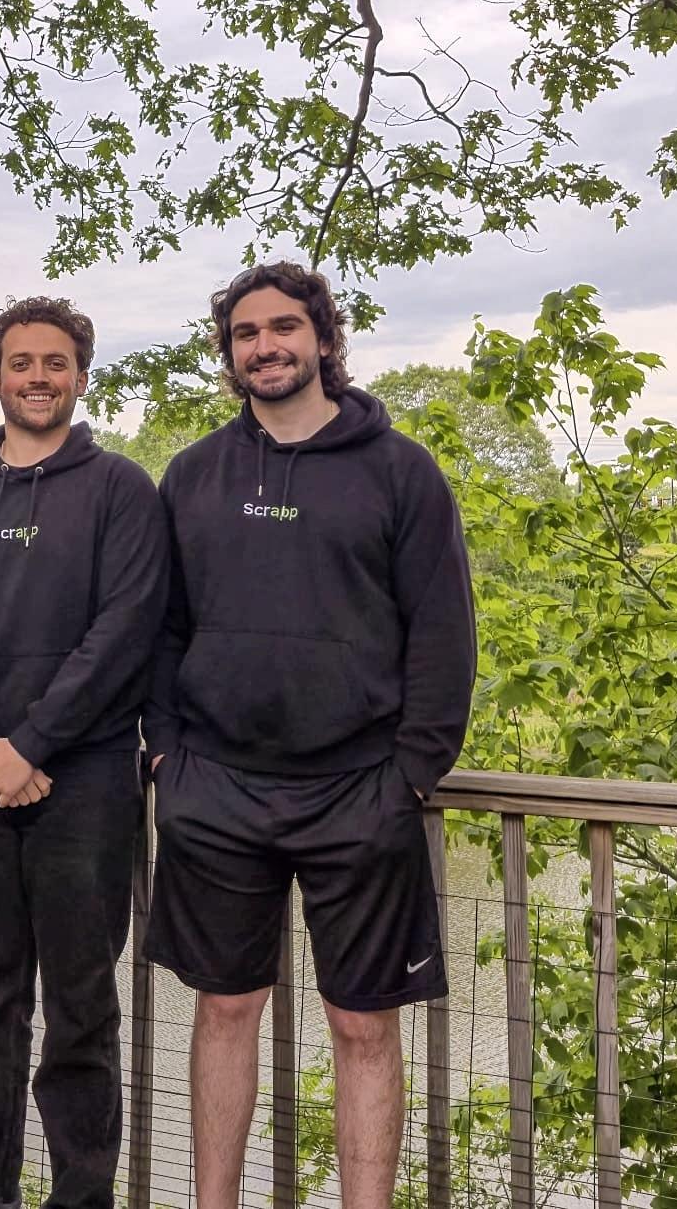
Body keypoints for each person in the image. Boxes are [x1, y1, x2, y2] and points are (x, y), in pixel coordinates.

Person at [143, 263, 476, 1209]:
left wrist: (411, 774)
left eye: (284, 327)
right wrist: (170, 752)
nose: (266, 346)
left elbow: (443, 635)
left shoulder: (400, 471)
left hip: (360, 793)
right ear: (230, 354)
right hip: (217, 791)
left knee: (364, 1027)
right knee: (224, 1010)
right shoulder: (196, 473)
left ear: (324, 339)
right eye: (246, 334)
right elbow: (162, 628)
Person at [0, 296, 167, 1209]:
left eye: (56, 362)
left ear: (82, 375)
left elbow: (124, 629)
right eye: (21, 362)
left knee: (82, 1011)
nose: (38, 377)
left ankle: (81, 1197)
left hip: (86, 782)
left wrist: (36, 742)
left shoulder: (122, 490)